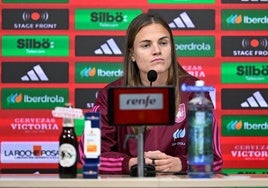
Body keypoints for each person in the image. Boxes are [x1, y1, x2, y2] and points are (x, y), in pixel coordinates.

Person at [79, 13, 223, 174]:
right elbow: (87, 156)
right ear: (132, 54)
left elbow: (214, 159)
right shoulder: (109, 95)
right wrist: (131, 164)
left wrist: (179, 164)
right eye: (146, 45)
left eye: (163, 43)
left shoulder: (194, 92)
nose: (157, 50)